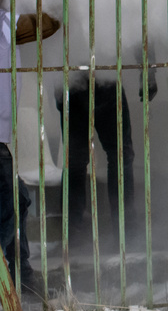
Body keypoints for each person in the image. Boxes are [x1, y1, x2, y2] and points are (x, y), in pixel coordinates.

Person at [55, 51, 157, 248]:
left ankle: (77, 231)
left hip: (88, 79)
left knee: (91, 158)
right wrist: (148, 71)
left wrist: (148, 70)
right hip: (86, 79)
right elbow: (137, 27)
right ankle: (123, 230)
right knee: (116, 156)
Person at [0, 6, 60, 294]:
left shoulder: (6, 22)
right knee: (13, 204)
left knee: (17, 200)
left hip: (0, 139)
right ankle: (15, 277)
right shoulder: (6, 23)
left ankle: (20, 274)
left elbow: (46, 24)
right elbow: (47, 23)